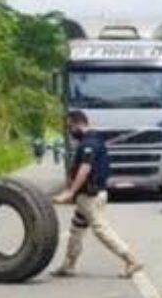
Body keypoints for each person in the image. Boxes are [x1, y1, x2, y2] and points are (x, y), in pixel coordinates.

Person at [51, 110, 143, 278]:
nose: (70, 131)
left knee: (101, 229)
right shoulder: (93, 140)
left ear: (79, 123)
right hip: (87, 196)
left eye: (70, 126)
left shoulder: (90, 143)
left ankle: (131, 260)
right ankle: (69, 264)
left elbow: (85, 169)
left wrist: (70, 192)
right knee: (76, 229)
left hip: (91, 196)